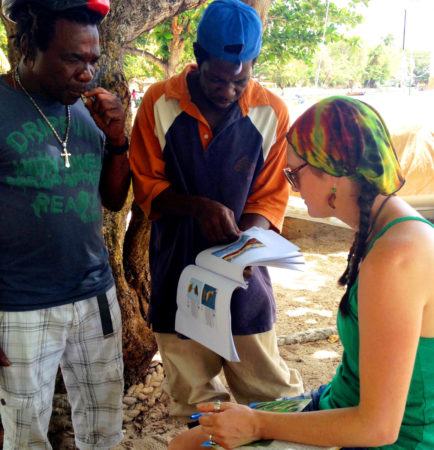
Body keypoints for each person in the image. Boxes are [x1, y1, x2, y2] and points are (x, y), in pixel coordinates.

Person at [168, 95, 434, 450]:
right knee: (188, 442)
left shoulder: (396, 259)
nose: (292, 188)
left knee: (192, 446)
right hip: (340, 403)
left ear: (333, 172)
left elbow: (379, 427)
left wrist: (258, 423)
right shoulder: (385, 228)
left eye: (294, 174)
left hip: (390, 439)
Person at [129, 0, 303, 418]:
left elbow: (268, 198)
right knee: (195, 403)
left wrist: (244, 246)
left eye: (239, 81)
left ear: (253, 64)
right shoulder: (159, 102)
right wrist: (196, 206)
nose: (227, 91)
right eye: (217, 79)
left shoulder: (271, 113)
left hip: (244, 282)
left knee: (271, 396)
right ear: (197, 56)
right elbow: (147, 186)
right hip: (176, 278)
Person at [0, 0, 131, 448]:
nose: (87, 73)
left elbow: (112, 200)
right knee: (25, 432)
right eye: (73, 58)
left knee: (104, 427)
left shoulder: (85, 109)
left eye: (92, 60)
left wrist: (117, 142)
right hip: (19, 303)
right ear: (30, 48)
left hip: (94, 295)